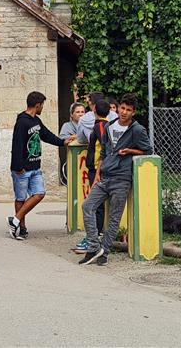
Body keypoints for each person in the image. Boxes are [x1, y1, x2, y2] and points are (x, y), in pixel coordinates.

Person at [78, 94, 152, 266]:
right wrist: (97, 175)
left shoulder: (137, 130)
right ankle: (93, 247)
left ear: (133, 112)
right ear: (117, 108)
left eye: (128, 110)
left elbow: (147, 150)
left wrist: (130, 151)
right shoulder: (109, 126)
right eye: (122, 108)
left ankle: (104, 252)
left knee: (114, 217)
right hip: (104, 176)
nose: (124, 112)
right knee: (87, 206)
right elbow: (103, 152)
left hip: (122, 179)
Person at [8, 91, 75, 240]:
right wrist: (18, 166)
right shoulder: (22, 122)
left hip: (35, 167)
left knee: (39, 193)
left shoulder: (36, 121)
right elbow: (17, 144)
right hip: (22, 168)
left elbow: (46, 135)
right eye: (42, 105)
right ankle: (21, 228)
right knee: (20, 198)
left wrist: (62, 142)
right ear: (37, 105)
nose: (42, 108)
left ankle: (15, 220)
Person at [75, 99, 111, 252]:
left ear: (94, 110)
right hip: (98, 168)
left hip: (97, 169)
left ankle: (94, 237)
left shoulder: (100, 127)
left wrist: (98, 168)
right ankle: (97, 235)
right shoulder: (107, 125)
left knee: (95, 204)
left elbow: (104, 146)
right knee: (98, 204)